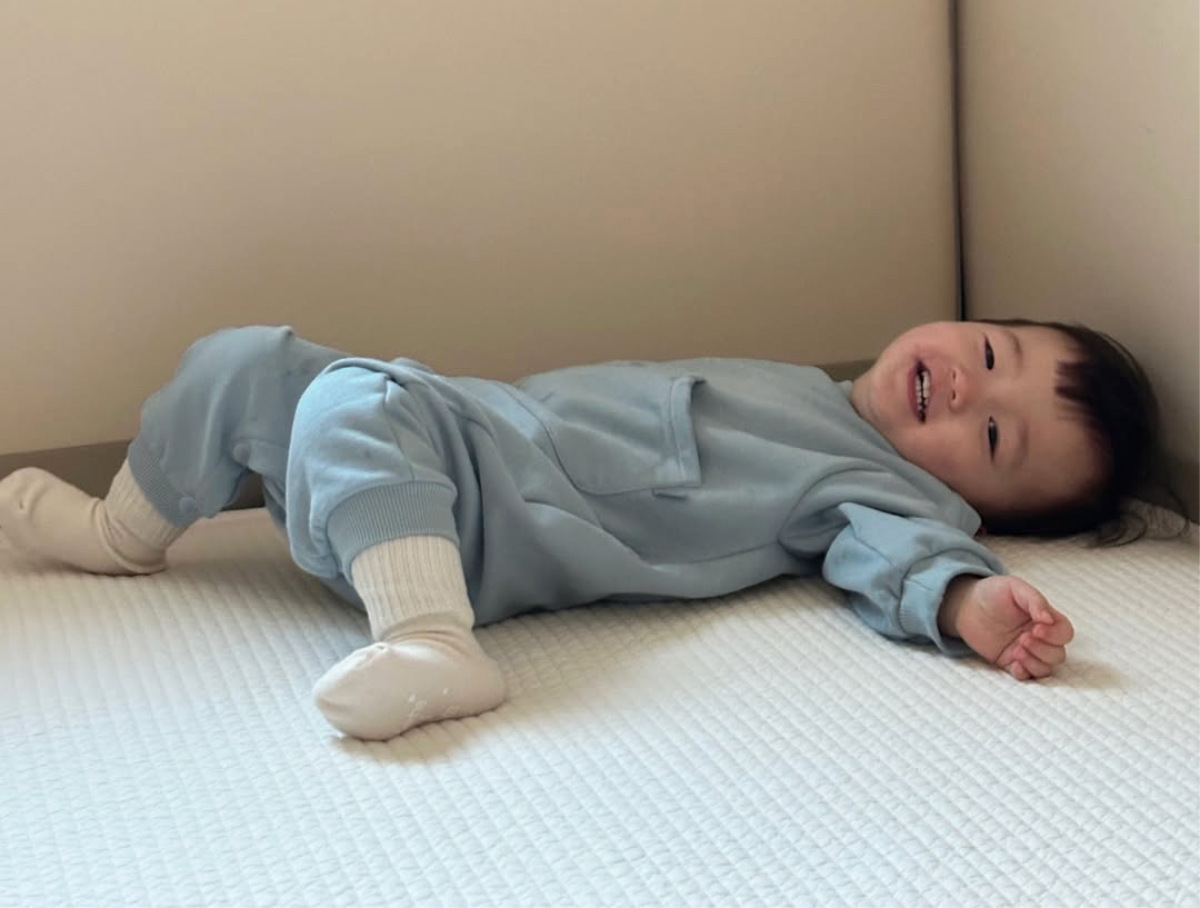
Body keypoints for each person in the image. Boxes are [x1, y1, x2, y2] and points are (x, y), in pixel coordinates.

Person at [0, 317, 1169, 742]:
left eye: (994, 436)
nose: (966, 387)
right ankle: (123, 531)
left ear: (976, 507)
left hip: (495, 523)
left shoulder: (881, 490)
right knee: (250, 361)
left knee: (354, 402)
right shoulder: (813, 387)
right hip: (466, 429)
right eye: (989, 352)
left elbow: (900, 559)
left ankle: (433, 641)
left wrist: (969, 601)